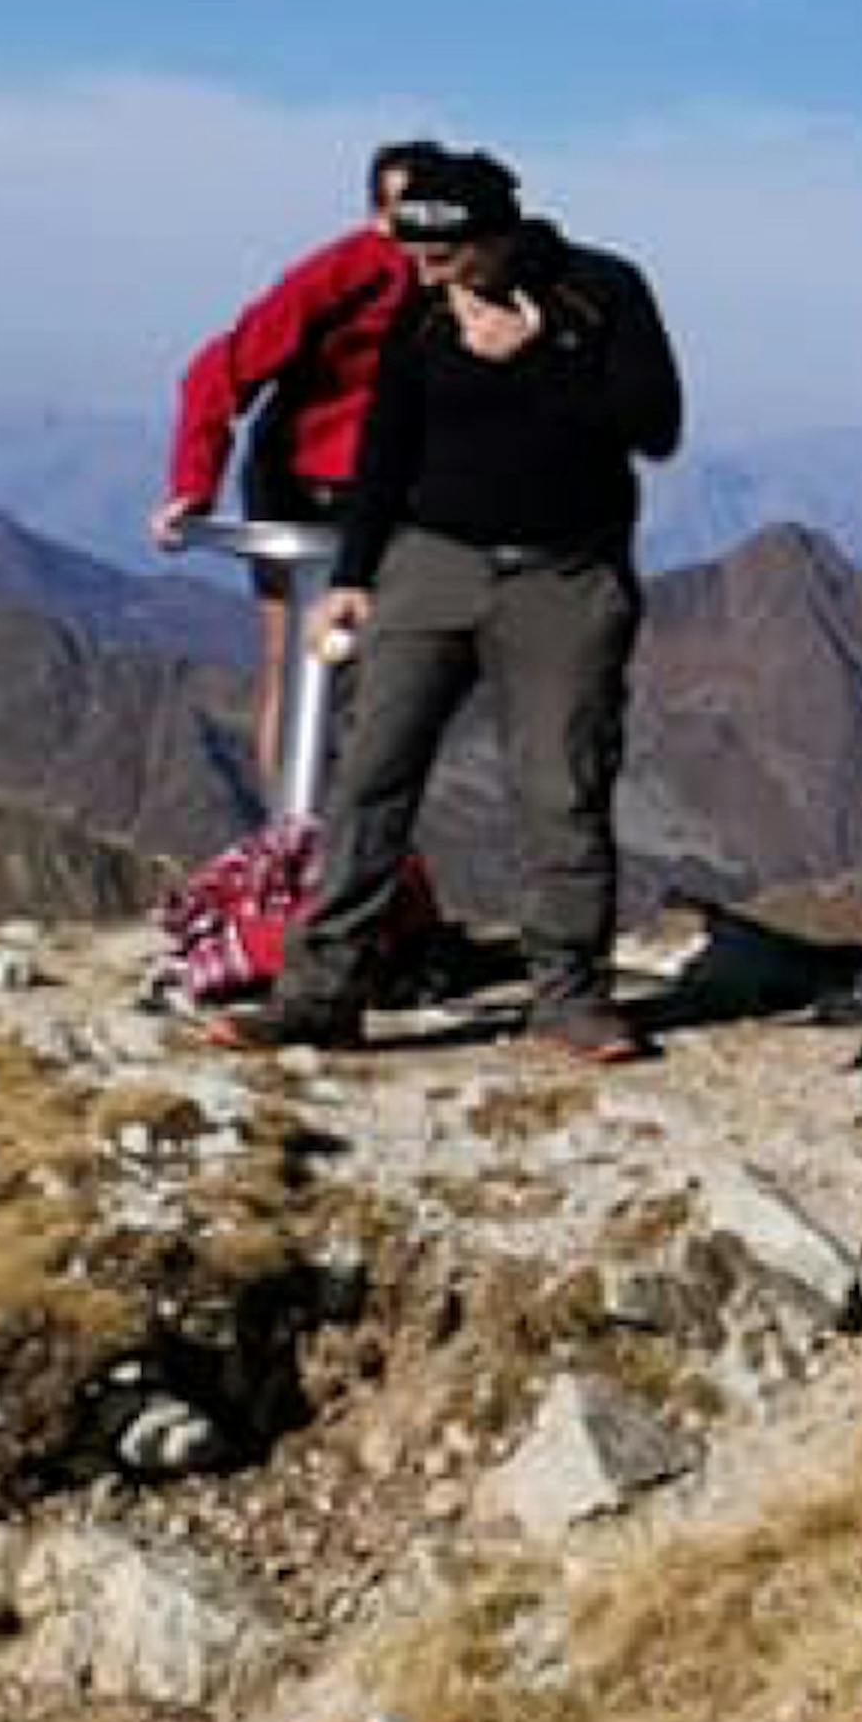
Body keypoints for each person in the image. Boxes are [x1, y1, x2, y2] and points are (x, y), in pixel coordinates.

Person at [210, 152, 686, 1063]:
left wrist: (537, 354)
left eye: (442, 251)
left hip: (563, 573)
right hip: (430, 560)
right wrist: (354, 574)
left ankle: (571, 999)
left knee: (561, 785)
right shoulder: (424, 305)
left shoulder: (604, 291)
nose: (421, 267)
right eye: (417, 249)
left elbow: (654, 426)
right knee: (372, 775)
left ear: (495, 235)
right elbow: (388, 438)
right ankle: (320, 995)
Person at [155, 135, 447, 793]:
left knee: (386, 672)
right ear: (377, 214)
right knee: (295, 658)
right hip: (303, 481)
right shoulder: (345, 273)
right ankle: (288, 846)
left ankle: (354, 844)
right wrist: (193, 486)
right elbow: (219, 369)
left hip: (402, 491)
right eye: (407, 212)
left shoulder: (465, 285)